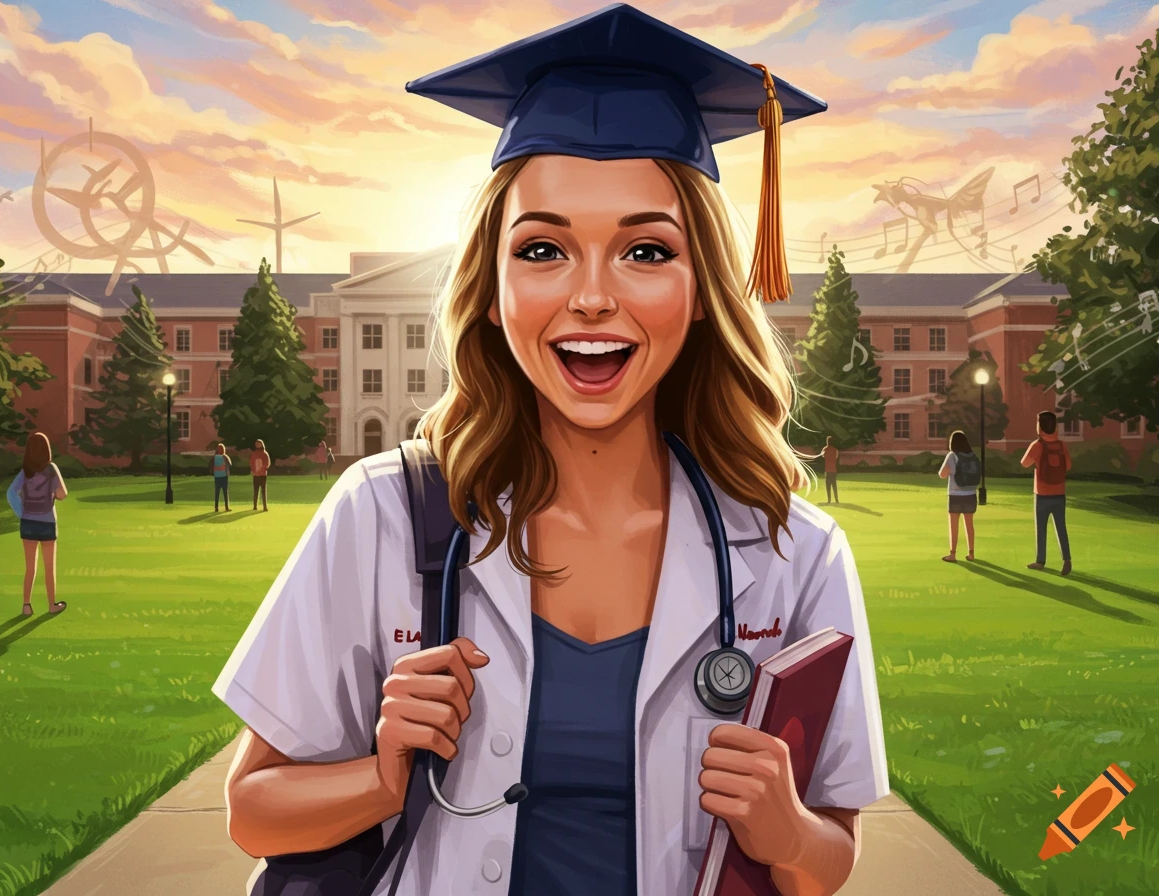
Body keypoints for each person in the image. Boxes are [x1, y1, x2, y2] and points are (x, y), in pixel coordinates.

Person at [213, 7, 887, 896]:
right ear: (493, 291)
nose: (592, 297)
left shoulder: (793, 551)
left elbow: (829, 859)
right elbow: (252, 812)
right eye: (543, 250)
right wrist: (381, 777)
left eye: (646, 250)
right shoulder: (382, 514)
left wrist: (787, 830)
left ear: (700, 290)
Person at [7, 432, 68, 615]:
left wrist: (22, 513)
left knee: (30, 568)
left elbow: (11, 493)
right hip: (47, 522)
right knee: (49, 568)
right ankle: (52, 605)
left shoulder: (25, 471)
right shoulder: (51, 469)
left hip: (28, 523)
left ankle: (26, 605)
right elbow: (62, 494)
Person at [1021, 411, 1072, 575]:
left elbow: (1024, 463)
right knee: (1061, 527)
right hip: (1059, 492)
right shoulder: (1062, 445)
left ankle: (1040, 560)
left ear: (1039, 426)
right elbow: (1068, 466)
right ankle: (1067, 559)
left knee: (1041, 529)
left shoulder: (1037, 445)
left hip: (1042, 493)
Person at [938, 430, 980, 562]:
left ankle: (953, 554)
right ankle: (971, 553)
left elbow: (942, 474)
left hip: (955, 494)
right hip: (971, 494)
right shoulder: (972, 455)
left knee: (954, 525)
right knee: (969, 525)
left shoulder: (952, 455)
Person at [250, 440, 271, 511]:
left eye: (259, 444)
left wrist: (261, 470)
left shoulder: (265, 453)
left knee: (263, 491)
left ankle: (265, 506)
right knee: (255, 491)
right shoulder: (254, 453)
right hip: (256, 475)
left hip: (262, 475)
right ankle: (255, 506)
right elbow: (251, 463)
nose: (257, 445)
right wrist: (253, 470)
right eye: (256, 444)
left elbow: (267, 464)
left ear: (262, 444)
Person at [211, 443, 232, 511]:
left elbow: (229, 464)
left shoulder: (219, 457)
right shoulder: (223, 457)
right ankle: (220, 507)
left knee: (221, 492)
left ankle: (222, 507)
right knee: (221, 492)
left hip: (221, 476)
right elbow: (230, 464)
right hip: (220, 476)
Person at [822, 436, 840, 504]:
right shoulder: (835, 450)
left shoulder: (825, 449)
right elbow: (836, 457)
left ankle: (829, 499)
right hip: (834, 470)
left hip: (827, 470)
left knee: (828, 486)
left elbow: (822, 456)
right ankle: (836, 499)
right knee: (834, 485)